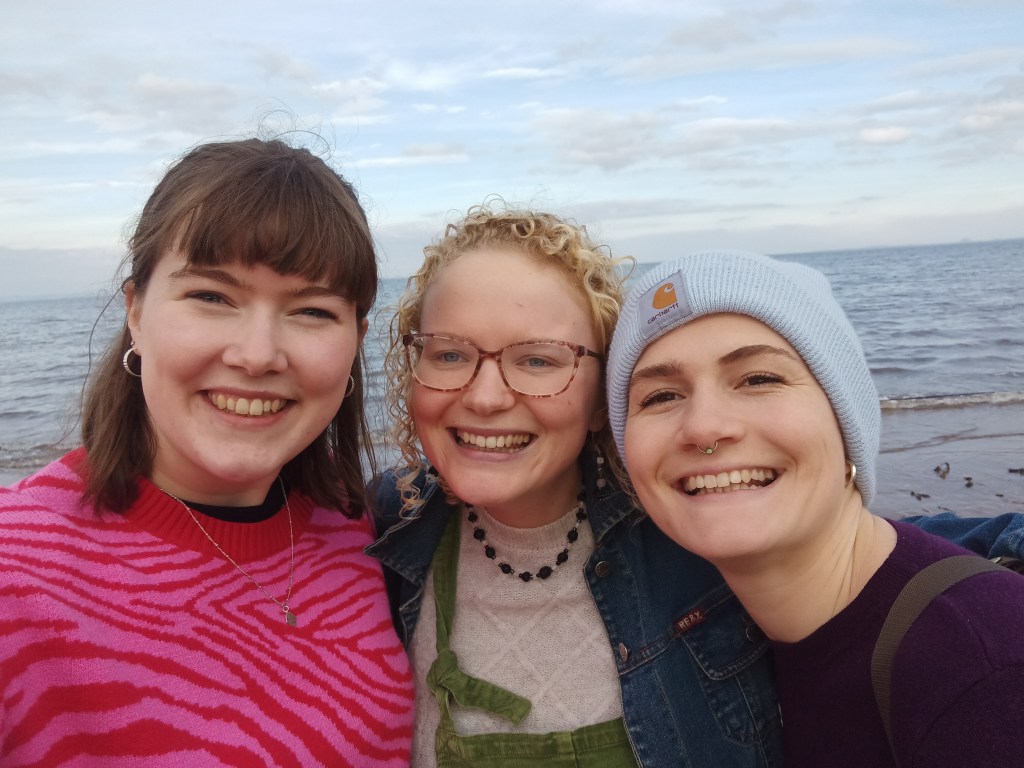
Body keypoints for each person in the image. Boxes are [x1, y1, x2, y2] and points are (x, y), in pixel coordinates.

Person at [367, 204, 1024, 768]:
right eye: (448, 353)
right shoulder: (390, 530)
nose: (485, 397)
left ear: (598, 404)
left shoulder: (685, 539)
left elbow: (884, 563)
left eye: (538, 359)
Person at [0, 137, 414, 766]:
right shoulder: (17, 569)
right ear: (136, 311)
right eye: (212, 297)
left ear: (355, 339)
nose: (257, 354)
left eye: (310, 310)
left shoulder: (362, 523)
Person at [606, 249, 1024, 767]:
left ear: (846, 423)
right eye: (660, 396)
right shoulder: (733, 652)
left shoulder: (987, 672)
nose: (705, 427)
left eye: (759, 379)